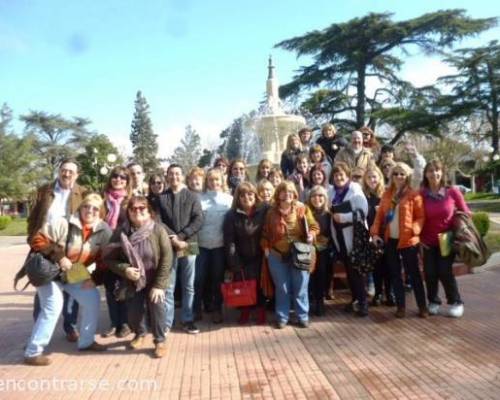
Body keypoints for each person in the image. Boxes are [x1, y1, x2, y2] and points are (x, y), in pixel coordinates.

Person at [24, 194, 112, 366]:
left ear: (101, 212)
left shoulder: (104, 230)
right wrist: (59, 256)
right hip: (49, 269)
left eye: (95, 208)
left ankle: (86, 342)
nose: (90, 211)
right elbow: (36, 238)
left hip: (73, 270)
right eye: (87, 206)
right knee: (54, 305)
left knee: (92, 298)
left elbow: (105, 259)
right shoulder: (64, 222)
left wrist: (95, 279)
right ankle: (33, 352)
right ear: (81, 207)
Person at [104, 196, 173, 358]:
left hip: (154, 278)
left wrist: (159, 285)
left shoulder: (158, 230)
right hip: (132, 280)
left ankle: (160, 340)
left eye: (142, 208)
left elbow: (167, 257)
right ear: (128, 212)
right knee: (134, 312)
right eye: (133, 209)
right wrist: (125, 269)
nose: (137, 211)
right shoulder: (121, 232)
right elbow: (109, 258)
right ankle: (140, 333)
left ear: (149, 212)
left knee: (157, 307)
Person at [28, 158, 87, 343]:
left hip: (73, 249)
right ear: (59, 171)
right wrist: (33, 239)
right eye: (64, 170)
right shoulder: (44, 191)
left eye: (71, 171)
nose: (67, 174)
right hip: (45, 246)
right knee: (43, 287)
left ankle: (71, 327)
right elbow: (33, 219)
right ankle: (38, 330)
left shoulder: (83, 193)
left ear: (77, 175)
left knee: (74, 289)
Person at [370, 162, 428, 318]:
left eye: (402, 174)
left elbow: (421, 217)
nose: (398, 177)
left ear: (407, 175)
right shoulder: (387, 195)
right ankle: (400, 306)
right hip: (391, 240)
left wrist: (414, 230)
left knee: (414, 274)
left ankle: (422, 306)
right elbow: (379, 217)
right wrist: (374, 233)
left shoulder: (413, 194)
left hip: (408, 240)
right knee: (395, 274)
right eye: (395, 174)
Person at [261, 181, 319, 329]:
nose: (287, 194)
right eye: (284, 191)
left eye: (291, 191)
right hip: (277, 255)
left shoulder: (302, 208)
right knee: (283, 288)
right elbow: (264, 234)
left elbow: (314, 226)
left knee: (300, 286)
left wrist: (311, 235)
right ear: (278, 194)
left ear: (295, 194)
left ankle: (302, 316)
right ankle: (282, 317)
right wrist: (266, 248)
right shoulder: (271, 213)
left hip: (300, 252)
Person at [157, 164, 203, 334]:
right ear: (167, 176)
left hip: (189, 244)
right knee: (169, 285)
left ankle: (187, 319)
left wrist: (182, 237)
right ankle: (168, 321)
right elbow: (158, 221)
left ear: (182, 176)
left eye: (177, 174)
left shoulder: (192, 196)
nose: (174, 177)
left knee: (189, 285)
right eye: (171, 174)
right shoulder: (162, 198)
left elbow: (198, 219)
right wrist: (173, 238)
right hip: (169, 246)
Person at [420, 160, 470, 318]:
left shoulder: (452, 192)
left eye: (437, 170)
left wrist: (461, 227)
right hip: (426, 240)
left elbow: (465, 212)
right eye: (430, 170)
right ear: (425, 174)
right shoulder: (421, 193)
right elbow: (414, 215)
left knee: (444, 271)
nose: (434, 173)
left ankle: (456, 302)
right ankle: (433, 301)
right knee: (429, 272)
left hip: (446, 239)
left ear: (442, 173)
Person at [224, 182, 270, 324]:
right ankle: (245, 310)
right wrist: (234, 261)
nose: (246, 197)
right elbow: (229, 240)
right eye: (242, 195)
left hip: (261, 254)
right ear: (238, 198)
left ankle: (261, 311)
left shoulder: (265, 210)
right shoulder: (231, 215)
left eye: (250, 194)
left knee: (260, 284)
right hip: (241, 256)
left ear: (255, 195)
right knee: (244, 284)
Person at [330, 162, 369, 316]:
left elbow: (362, 213)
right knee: (349, 270)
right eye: (336, 175)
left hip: (354, 237)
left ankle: (363, 303)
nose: (339, 178)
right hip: (339, 237)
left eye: (341, 175)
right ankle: (355, 300)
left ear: (347, 176)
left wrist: (344, 217)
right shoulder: (331, 192)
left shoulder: (355, 190)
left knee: (356, 272)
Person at [194, 168, 233, 323]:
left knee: (217, 279)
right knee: (198, 279)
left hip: (219, 245)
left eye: (217, 180)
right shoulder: (198, 199)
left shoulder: (229, 200)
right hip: (201, 245)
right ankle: (196, 309)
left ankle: (217, 309)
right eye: (211, 180)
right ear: (207, 182)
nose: (214, 182)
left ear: (222, 181)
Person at [100, 166, 132, 338]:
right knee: (110, 287)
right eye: (115, 176)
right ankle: (114, 322)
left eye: (122, 177)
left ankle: (125, 323)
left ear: (127, 181)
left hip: (124, 250)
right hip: (105, 250)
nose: (118, 179)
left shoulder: (130, 201)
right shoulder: (103, 200)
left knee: (125, 287)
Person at [362, 165, 394, 306]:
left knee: (389, 265)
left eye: (374, 176)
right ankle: (378, 293)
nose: (372, 180)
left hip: (387, 233)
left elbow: (395, 214)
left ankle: (390, 293)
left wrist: (384, 213)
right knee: (376, 266)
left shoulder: (387, 194)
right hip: (372, 236)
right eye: (369, 177)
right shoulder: (364, 196)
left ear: (380, 177)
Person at [306, 186, 333, 316]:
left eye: (320, 196)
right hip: (310, 248)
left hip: (325, 250)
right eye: (314, 196)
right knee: (311, 275)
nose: (317, 199)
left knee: (322, 274)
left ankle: (320, 301)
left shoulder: (329, 214)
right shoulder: (306, 212)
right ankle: (313, 300)